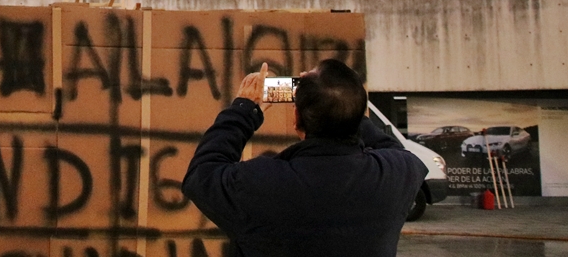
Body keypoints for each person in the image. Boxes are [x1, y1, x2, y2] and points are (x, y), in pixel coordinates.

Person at [182, 59, 427, 257]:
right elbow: (394, 149)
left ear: (296, 119)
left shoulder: (263, 184)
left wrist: (244, 109)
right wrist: (342, 105)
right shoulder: (396, 175)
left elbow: (201, 174)